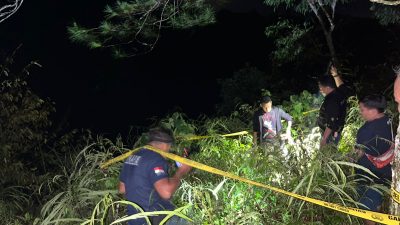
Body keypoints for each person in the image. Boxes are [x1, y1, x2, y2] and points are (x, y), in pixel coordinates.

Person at [119, 127, 192, 225]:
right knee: (194, 217)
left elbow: (122, 189)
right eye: (169, 147)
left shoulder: (131, 157)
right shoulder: (156, 158)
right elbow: (166, 193)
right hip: (157, 218)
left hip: (135, 218)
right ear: (165, 145)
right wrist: (181, 171)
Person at [354, 95, 394, 225]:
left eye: (362, 109)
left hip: (369, 176)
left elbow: (358, 154)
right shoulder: (387, 120)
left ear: (372, 110)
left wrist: (346, 158)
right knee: (376, 205)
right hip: (386, 172)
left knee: (367, 209)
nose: (360, 112)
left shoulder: (367, 130)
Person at [318, 66, 354, 148]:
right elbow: (341, 85)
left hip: (330, 133)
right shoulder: (340, 91)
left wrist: (323, 139)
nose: (320, 90)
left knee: (328, 152)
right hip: (337, 128)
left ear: (327, 88)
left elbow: (330, 124)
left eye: (321, 88)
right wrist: (335, 74)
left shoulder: (331, 101)